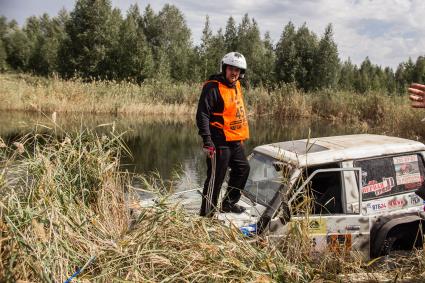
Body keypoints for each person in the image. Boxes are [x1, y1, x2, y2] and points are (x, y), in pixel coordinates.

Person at [196, 52, 250, 217]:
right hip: (218, 141)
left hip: (234, 140)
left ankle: (228, 204)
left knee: (243, 169)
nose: (234, 73)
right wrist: (207, 141)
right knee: (215, 178)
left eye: (238, 70)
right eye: (231, 68)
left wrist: (239, 137)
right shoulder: (212, 87)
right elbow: (202, 114)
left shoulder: (237, 85)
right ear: (224, 68)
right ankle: (207, 214)